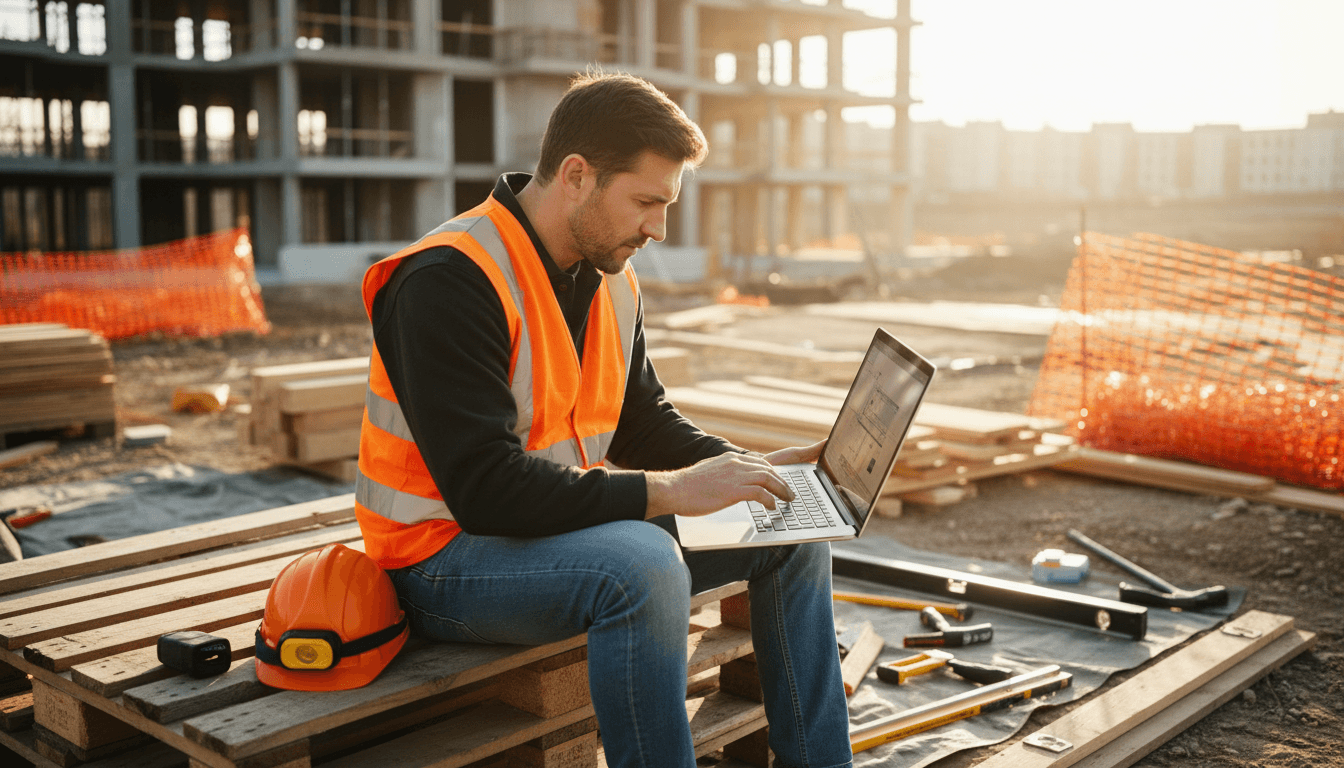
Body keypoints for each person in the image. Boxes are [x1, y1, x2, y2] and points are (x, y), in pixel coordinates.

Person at [355, 72, 853, 768]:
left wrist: (754, 473)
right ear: (577, 176)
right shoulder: (447, 279)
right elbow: (485, 491)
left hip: (553, 530)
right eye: (647, 201)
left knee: (790, 527)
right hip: (442, 559)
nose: (659, 227)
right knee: (643, 566)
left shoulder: (609, 273)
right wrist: (673, 492)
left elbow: (641, 421)